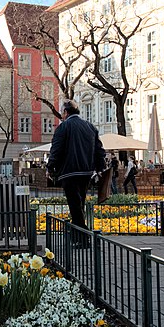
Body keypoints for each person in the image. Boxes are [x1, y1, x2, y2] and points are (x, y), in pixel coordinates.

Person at [47, 100, 105, 244]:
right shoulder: (90, 127)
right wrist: (100, 168)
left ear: (66, 112)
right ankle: (78, 235)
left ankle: (82, 238)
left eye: (62, 112)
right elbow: (99, 150)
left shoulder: (63, 127)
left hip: (69, 172)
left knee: (75, 206)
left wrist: (50, 167)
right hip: (86, 172)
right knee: (79, 204)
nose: (62, 115)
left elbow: (56, 149)